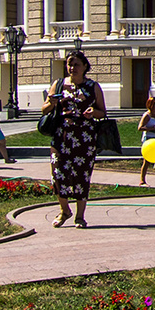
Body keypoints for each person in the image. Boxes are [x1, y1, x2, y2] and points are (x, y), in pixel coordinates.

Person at [42, 50, 107, 228]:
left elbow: (103, 112)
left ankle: (80, 216)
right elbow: (44, 109)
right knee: (58, 174)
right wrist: (52, 103)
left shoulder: (93, 86)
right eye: (70, 64)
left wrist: (94, 112)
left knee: (82, 175)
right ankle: (64, 210)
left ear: (85, 66)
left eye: (76, 64)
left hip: (84, 138)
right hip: (61, 136)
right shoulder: (59, 83)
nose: (72, 68)